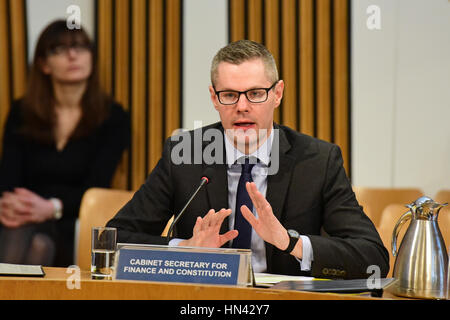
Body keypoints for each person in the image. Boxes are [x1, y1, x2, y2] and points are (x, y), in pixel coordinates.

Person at [107, 40, 389, 279]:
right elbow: (111, 240)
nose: (242, 107)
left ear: (277, 94)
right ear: (214, 98)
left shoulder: (318, 161)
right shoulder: (184, 155)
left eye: (255, 94)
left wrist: (290, 242)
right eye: (229, 95)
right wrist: (185, 248)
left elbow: (372, 258)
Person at [0, 20, 130, 267]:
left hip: (74, 220)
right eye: (60, 49)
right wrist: (15, 206)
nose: (73, 56)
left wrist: (51, 207)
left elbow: (97, 186)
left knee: (39, 244)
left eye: (81, 48)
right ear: (43, 64)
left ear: (91, 59)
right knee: (32, 238)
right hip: (22, 218)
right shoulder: (22, 112)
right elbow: (8, 179)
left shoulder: (113, 117)